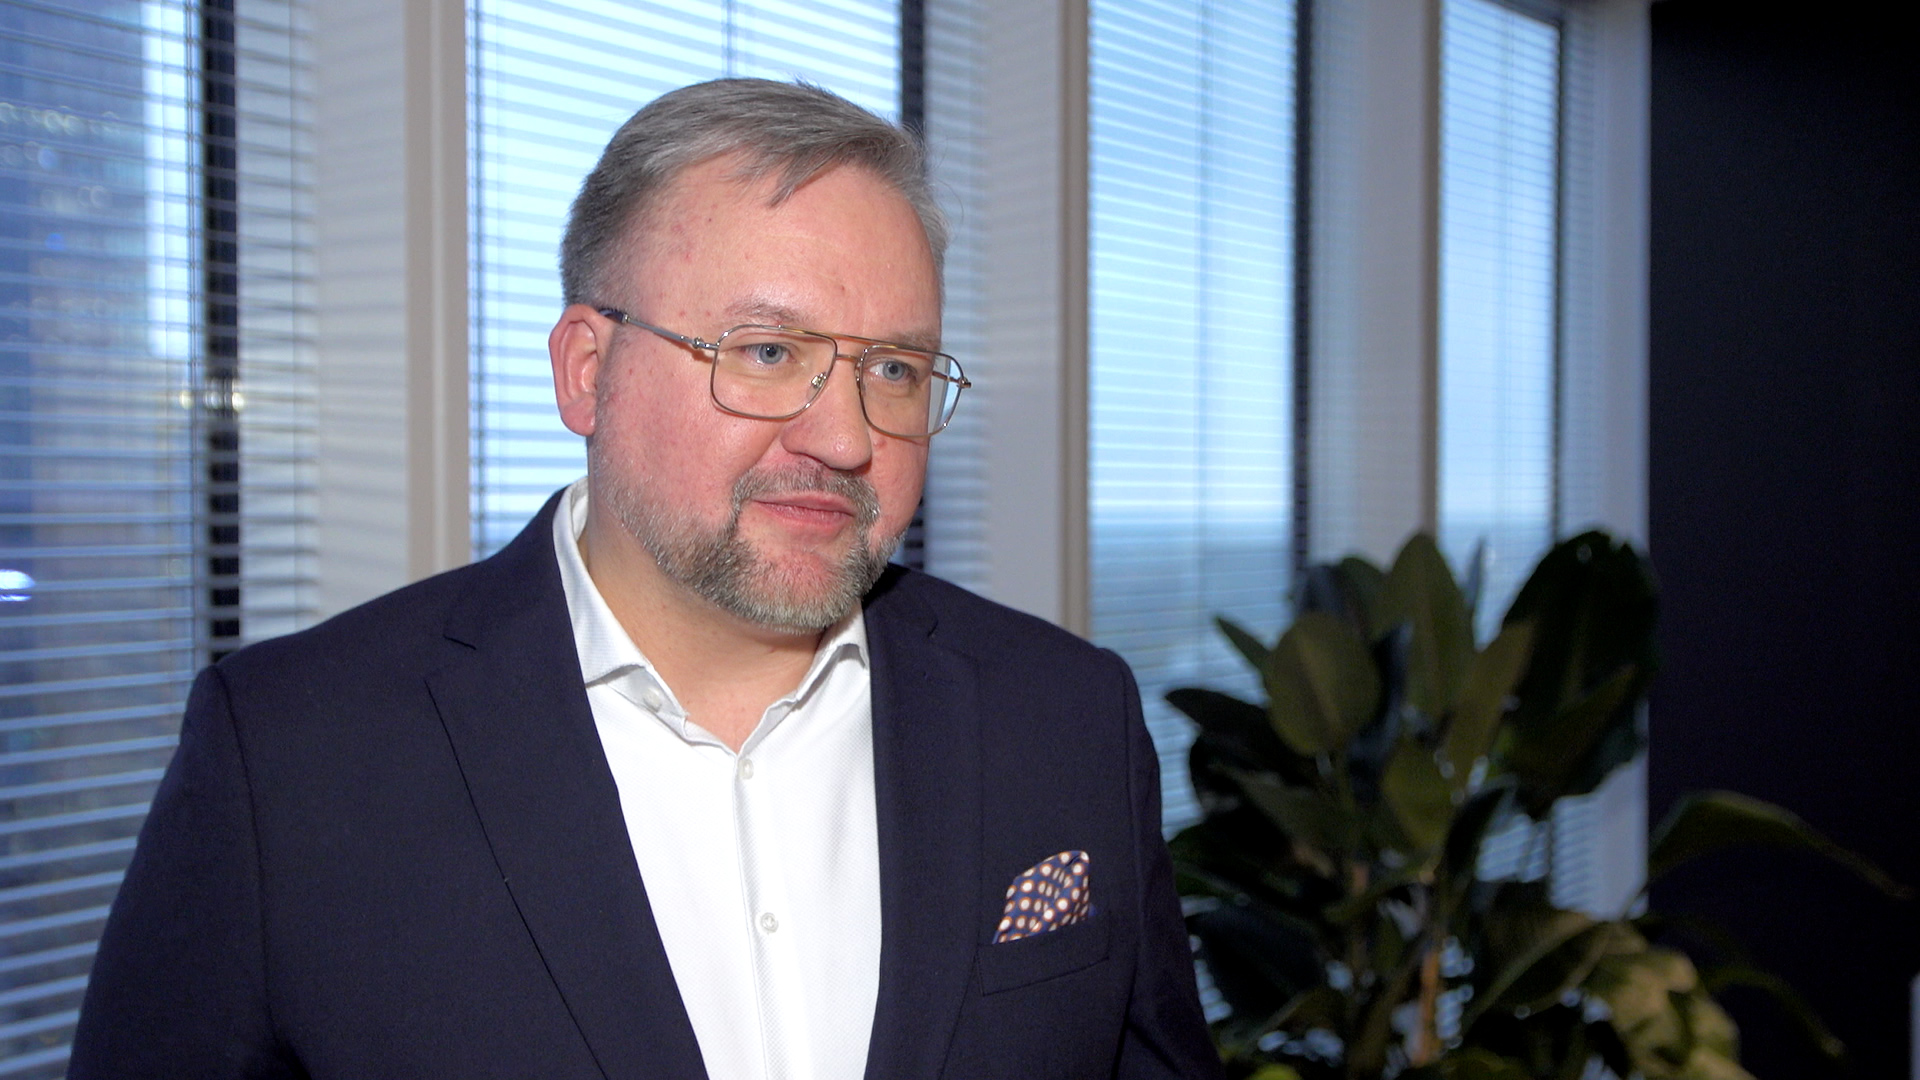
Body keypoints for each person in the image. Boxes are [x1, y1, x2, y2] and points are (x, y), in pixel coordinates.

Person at [68, 79, 1219, 1080]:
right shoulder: (291, 758)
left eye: (894, 370)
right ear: (588, 370)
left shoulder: (1064, 717)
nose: (844, 436)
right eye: (766, 352)